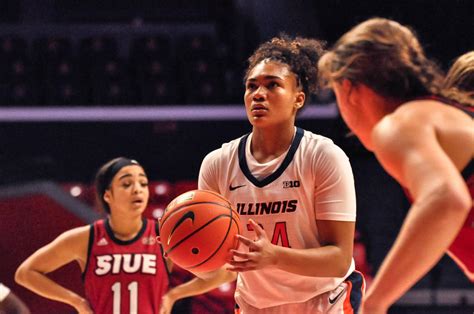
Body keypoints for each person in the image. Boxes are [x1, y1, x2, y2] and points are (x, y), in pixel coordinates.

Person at [196, 35, 363, 313]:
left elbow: (339, 259)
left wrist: (274, 257)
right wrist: (187, 248)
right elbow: (217, 264)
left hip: (323, 299)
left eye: (272, 85)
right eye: (252, 86)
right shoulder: (217, 164)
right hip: (255, 304)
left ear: (298, 99)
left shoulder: (323, 156)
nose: (258, 94)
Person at [318, 17, 473, 313]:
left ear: (349, 89)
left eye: (337, 96)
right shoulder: (443, 113)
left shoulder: (397, 126)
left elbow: (447, 200)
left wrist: (375, 302)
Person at [14, 157, 226, 314]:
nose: (138, 190)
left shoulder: (164, 235)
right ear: (108, 195)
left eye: (143, 183)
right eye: (127, 184)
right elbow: (26, 273)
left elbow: (226, 273)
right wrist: (75, 301)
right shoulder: (86, 238)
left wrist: (174, 295)